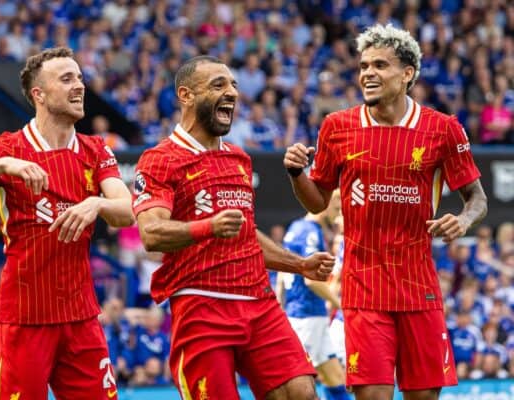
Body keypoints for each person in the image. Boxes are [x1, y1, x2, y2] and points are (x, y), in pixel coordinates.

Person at [283, 24, 488, 400]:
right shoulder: (337, 127)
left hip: (419, 287)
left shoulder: (443, 130)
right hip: (364, 287)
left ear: (407, 73)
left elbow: (478, 199)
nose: (367, 73)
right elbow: (316, 202)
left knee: (424, 396)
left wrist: (462, 220)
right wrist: (297, 174)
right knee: (373, 396)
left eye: (380, 65)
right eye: (364, 66)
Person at [132, 55, 335, 400]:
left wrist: (298, 265)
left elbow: (244, 234)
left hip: (259, 301)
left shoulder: (239, 159)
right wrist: (207, 227)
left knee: (301, 392)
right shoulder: (159, 159)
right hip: (202, 307)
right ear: (186, 95)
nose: (232, 93)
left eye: (234, 85)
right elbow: (152, 234)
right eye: (218, 85)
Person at [0, 47, 134, 400]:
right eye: (67, 78)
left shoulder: (95, 149)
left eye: (80, 78)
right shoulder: (9, 147)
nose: (80, 86)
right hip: (25, 318)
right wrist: (0, 166)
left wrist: (97, 203)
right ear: (38, 95)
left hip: (81, 319)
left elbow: (127, 210)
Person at [276, 190, 350, 400]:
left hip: (309, 315)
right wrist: (340, 304)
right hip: (305, 317)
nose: (338, 206)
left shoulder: (296, 228)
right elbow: (311, 281)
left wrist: (281, 304)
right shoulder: (310, 231)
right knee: (296, 386)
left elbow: (283, 271)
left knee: (335, 378)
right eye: (335, 200)